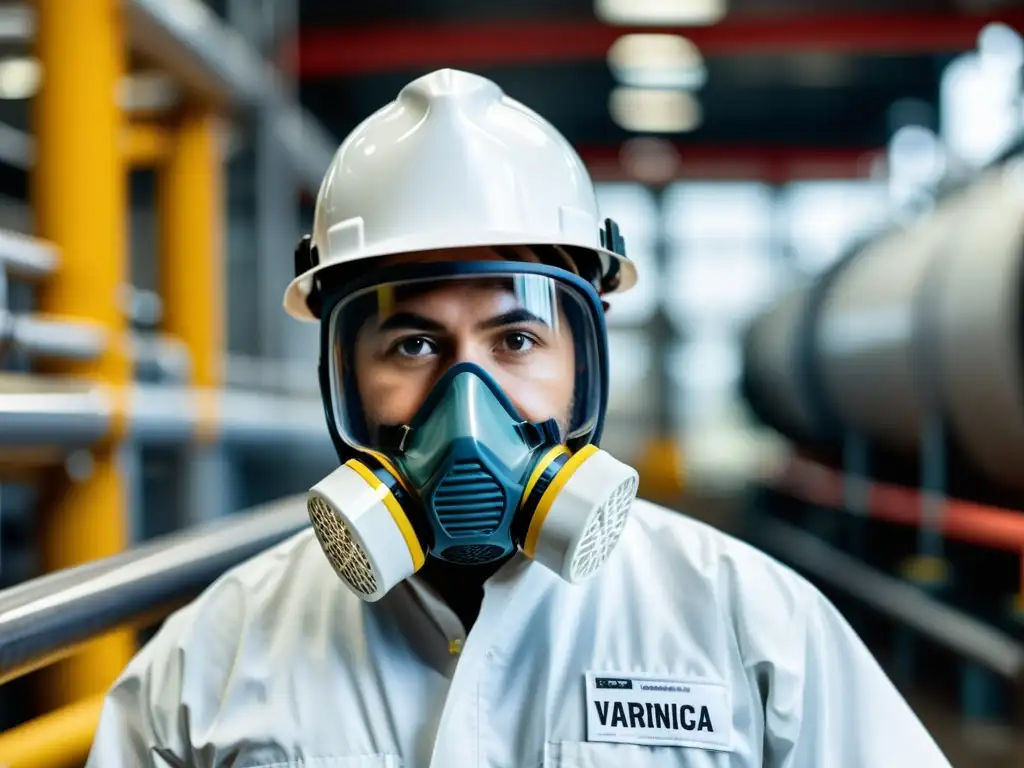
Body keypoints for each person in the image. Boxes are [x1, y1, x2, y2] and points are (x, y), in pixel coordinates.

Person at [86, 69, 951, 767]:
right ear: (340, 370)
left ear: (584, 359)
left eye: (517, 339)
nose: (470, 409)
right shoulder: (212, 662)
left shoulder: (752, 627)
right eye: (414, 346)